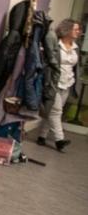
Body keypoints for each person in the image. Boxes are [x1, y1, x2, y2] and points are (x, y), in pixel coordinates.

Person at [37, 18, 82, 152]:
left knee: (51, 111)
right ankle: (59, 140)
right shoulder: (56, 44)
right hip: (53, 82)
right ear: (67, 29)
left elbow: (75, 67)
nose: (78, 32)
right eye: (75, 29)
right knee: (57, 112)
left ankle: (42, 136)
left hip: (67, 83)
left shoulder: (75, 48)